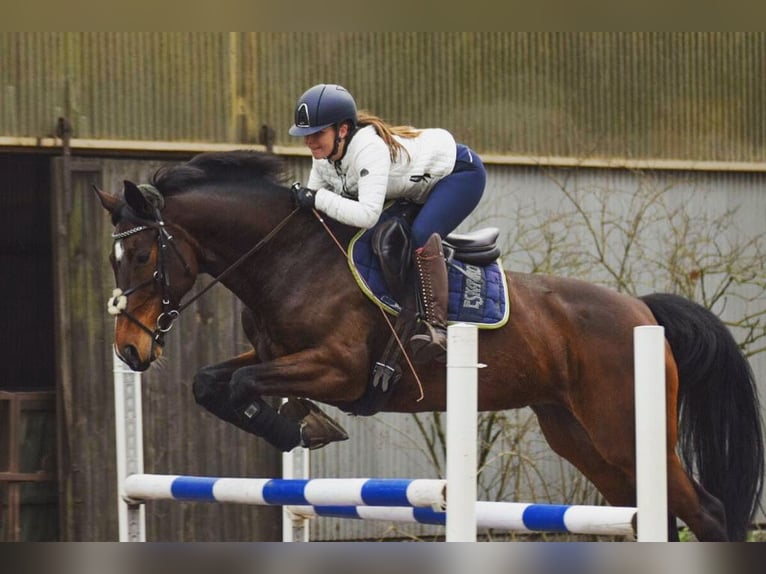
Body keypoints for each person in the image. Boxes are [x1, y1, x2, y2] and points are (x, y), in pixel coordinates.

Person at [288, 83, 486, 362]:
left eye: (317, 134)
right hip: (414, 188)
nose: (309, 142)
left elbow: (366, 214)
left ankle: (437, 329)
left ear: (342, 130)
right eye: (305, 135)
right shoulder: (324, 156)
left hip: (459, 175)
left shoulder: (368, 149)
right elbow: (316, 209)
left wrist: (316, 198)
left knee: (418, 236)